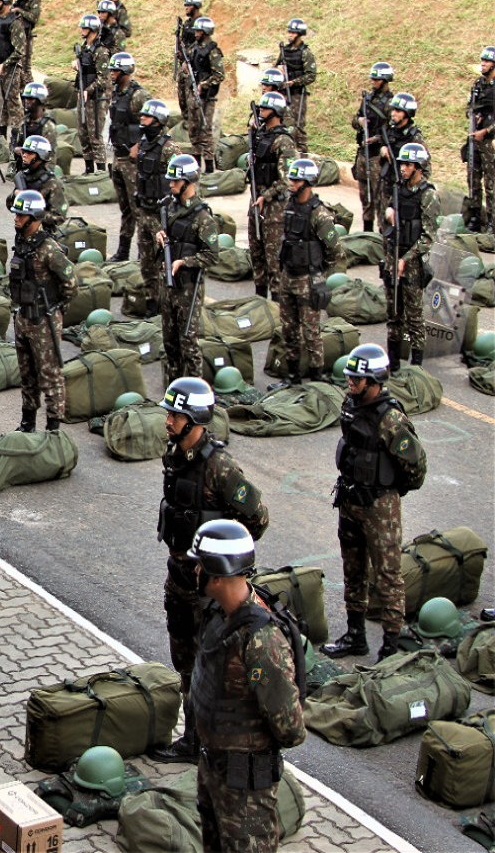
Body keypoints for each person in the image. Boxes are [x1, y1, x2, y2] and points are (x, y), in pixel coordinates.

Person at [150, 380, 270, 764]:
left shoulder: (220, 467)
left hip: (209, 589)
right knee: (184, 661)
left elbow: (257, 517)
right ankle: (192, 738)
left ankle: (210, 741)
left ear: (196, 419)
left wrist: (224, 563)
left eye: (175, 415)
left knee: (212, 665)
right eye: (168, 414)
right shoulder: (176, 455)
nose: (168, 421)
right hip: (179, 578)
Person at [187, 520, 305, 852]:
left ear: (217, 574)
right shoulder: (218, 615)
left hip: (247, 788)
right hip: (213, 769)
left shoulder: (261, 641)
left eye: (200, 564)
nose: (194, 570)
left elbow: (291, 729)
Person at [325, 343, 427, 662]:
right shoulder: (350, 404)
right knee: (353, 569)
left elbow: (416, 467)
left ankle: (392, 644)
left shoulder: (392, 420)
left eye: (357, 380)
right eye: (350, 379)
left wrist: (390, 491)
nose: (350, 384)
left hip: (380, 507)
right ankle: (356, 635)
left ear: (374, 381)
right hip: (350, 499)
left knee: (387, 575)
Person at [9, 190, 77, 433]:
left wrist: (58, 309)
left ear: (34, 217)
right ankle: (27, 423)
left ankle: (53, 427)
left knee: (50, 376)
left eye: (21, 215)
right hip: (22, 317)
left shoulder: (49, 249)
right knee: (27, 375)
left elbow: (70, 281)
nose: (16, 219)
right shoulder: (22, 242)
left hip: (43, 320)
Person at [275, 158, 341, 386]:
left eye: (296, 179)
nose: (291, 183)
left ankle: (316, 378)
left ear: (307, 182)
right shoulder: (289, 206)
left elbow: (335, 248)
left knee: (311, 332)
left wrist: (319, 271)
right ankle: (292, 376)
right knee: (288, 329)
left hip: (308, 279)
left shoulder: (319, 214)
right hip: (288, 276)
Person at [156, 154, 219, 382]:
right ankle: (173, 387)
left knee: (188, 343)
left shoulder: (203, 217)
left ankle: (195, 388)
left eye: (176, 180)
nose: (171, 184)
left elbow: (212, 255)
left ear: (188, 182)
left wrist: (185, 262)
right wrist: (161, 239)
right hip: (169, 285)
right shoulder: (170, 209)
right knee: (169, 342)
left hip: (189, 288)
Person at [383, 143, 439, 371]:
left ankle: (416, 369)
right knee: (393, 315)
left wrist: (406, 258)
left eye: (407, 164)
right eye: (402, 164)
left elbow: (428, 237)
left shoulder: (429, 195)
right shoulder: (398, 189)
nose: (403, 168)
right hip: (392, 259)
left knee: (414, 319)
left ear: (418, 167)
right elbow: (389, 211)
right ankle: (393, 365)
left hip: (412, 264)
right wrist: (388, 212)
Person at [247, 91, 298, 299]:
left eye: (265, 108)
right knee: (256, 256)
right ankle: (260, 303)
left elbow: (286, 179)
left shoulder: (283, 141)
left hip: (273, 208)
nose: (261, 111)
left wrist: (265, 196)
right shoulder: (260, 135)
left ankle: (277, 307)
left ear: (276, 112)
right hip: (256, 200)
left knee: (274, 260)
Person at [134, 100, 181, 319]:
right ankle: (152, 304)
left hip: (160, 214)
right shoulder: (143, 142)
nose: (142, 120)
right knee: (146, 264)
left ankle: (166, 306)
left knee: (162, 262)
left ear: (159, 121)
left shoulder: (169, 148)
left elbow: (181, 182)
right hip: (144, 211)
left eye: (147, 117)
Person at [107, 51, 148, 261]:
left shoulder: (138, 95)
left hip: (133, 161)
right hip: (118, 157)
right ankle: (123, 252)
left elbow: (155, 124)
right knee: (126, 210)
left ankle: (144, 254)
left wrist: (139, 146)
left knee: (138, 209)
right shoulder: (117, 93)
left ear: (125, 71)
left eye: (115, 70)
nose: (112, 73)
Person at [352, 62, 394, 233]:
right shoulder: (367, 99)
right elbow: (355, 120)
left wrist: (376, 139)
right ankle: (367, 232)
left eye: (377, 79)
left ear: (385, 80)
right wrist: (360, 122)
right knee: (364, 195)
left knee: (379, 196)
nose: (373, 82)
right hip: (363, 154)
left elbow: (392, 130)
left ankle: (383, 234)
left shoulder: (390, 103)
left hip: (377, 155)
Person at [186, 16, 224, 174]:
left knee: (206, 131)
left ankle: (208, 168)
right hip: (194, 94)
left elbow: (220, 75)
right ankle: (196, 165)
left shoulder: (213, 51)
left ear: (206, 32)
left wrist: (204, 84)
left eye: (199, 31)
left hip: (207, 97)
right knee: (193, 129)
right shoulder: (195, 47)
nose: (196, 33)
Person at [275, 18, 317, 155]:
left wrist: (293, 82)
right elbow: (275, 67)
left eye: (293, 33)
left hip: (297, 94)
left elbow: (311, 75)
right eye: (289, 32)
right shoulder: (284, 50)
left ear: (299, 34)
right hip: (282, 93)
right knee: (283, 123)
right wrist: (278, 70)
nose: (290, 35)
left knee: (298, 126)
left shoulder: (305, 53)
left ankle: (302, 154)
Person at [74, 13, 109, 175]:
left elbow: (104, 79)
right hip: (83, 96)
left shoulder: (100, 51)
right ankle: (88, 168)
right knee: (83, 133)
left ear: (92, 30)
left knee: (95, 135)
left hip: (96, 99)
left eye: (84, 27)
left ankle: (101, 171)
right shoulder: (84, 48)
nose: (81, 29)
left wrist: (88, 91)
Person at [0, 0, 26, 140]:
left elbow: (20, 50)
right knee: (0, 103)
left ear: (5, 3)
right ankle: (1, 136)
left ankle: (16, 138)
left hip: (11, 69)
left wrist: (6, 63)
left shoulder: (15, 22)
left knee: (12, 104)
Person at [10, 136, 68, 231]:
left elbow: (59, 217)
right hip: (24, 232)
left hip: (45, 234)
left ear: (41, 155)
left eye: (29, 153)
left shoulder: (52, 183)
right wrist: (15, 195)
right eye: (24, 152)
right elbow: (10, 205)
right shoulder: (23, 177)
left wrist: (34, 213)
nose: (24, 155)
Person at [466, 46, 495, 232]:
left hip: (490, 142)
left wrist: (486, 131)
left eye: (486, 61)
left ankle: (492, 222)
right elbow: (469, 107)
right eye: (482, 60)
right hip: (474, 139)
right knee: (473, 181)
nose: (482, 64)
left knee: (491, 184)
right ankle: (475, 217)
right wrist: (473, 116)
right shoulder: (478, 85)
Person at [11, 81, 57, 180]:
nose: (27, 101)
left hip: (39, 175)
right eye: (25, 98)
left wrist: (42, 180)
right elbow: (16, 143)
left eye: (31, 99)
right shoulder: (24, 122)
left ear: (40, 100)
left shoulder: (48, 126)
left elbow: (51, 158)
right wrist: (16, 150)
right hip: (22, 172)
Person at [174, 0, 202, 140]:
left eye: (188, 5)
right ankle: (186, 131)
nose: (186, 8)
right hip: (183, 67)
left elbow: (201, 45)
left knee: (193, 104)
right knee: (182, 100)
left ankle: (195, 135)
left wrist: (188, 56)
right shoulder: (187, 24)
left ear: (196, 7)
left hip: (194, 69)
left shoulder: (202, 24)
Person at [12, 0, 40, 88]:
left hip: (26, 37)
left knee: (25, 70)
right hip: (17, 36)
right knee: (16, 69)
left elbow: (34, 17)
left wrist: (19, 11)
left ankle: (32, 97)